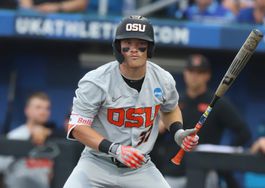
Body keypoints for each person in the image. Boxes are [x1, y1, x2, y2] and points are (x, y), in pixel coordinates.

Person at [63, 15, 199, 188]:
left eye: (140, 44)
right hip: (97, 163)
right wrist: (115, 149)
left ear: (150, 48)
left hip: (139, 167)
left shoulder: (163, 79)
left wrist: (178, 132)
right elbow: (77, 128)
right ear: (118, 48)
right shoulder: (96, 81)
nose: (134, 49)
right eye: (128, 43)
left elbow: (170, 109)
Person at [154, 54, 251, 188]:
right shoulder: (175, 101)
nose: (195, 76)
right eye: (191, 71)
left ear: (207, 75)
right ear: (185, 73)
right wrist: (159, 129)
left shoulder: (218, 103)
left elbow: (243, 132)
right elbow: (154, 138)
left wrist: (221, 160)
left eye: (200, 72)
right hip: (173, 172)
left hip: (205, 171)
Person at [1, 92, 60, 188]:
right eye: (38, 107)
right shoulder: (15, 137)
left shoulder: (55, 137)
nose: (43, 111)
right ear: (27, 110)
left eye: (47, 108)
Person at [18, 0, 88, 13]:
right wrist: (35, 10)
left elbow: (82, 3)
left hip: (64, 17)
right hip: (36, 16)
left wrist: (57, 8)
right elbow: (26, 6)